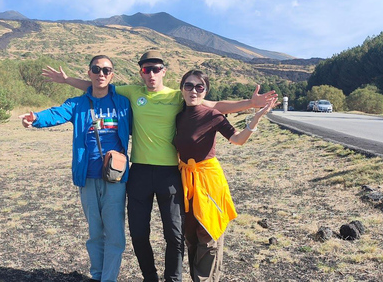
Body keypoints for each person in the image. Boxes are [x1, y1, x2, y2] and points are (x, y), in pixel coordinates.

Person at [41, 50, 277, 282]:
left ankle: (173, 278)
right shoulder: (132, 93)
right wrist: (66, 80)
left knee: (174, 234)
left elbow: (217, 106)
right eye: (146, 69)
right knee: (138, 233)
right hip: (140, 172)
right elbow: (97, 86)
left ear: (163, 71)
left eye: (156, 69)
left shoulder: (178, 95)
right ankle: (150, 277)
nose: (151, 74)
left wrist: (250, 103)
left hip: (170, 174)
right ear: (141, 73)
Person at [19, 55, 132, 282]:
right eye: (96, 69)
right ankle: (97, 275)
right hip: (87, 177)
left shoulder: (122, 103)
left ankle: (108, 279)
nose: (101, 73)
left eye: (106, 70)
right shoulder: (77, 104)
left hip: (115, 178)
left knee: (116, 235)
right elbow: (56, 113)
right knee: (95, 234)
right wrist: (36, 118)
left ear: (112, 75)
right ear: (89, 72)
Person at [174, 70, 276, 281]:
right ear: (182, 88)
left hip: (209, 182)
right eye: (189, 86)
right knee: (191, 237)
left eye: (199, 87)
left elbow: (237, 139)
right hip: (185, 182)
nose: (194, 90)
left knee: (208, 234)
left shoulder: (212, 115)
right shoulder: (177, 115)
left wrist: (255, 117)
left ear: (205, 91)